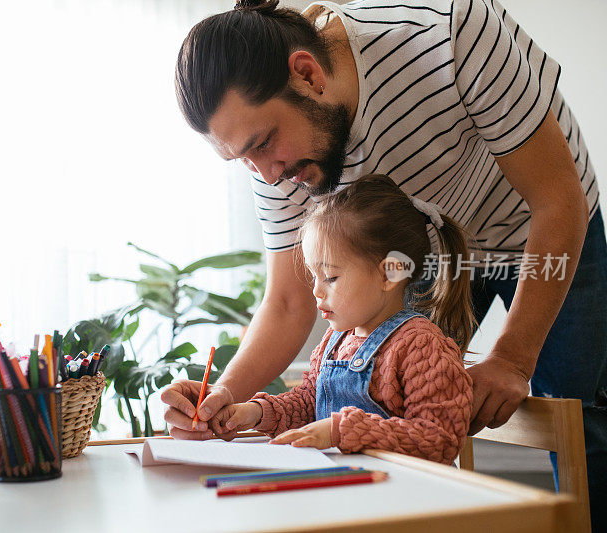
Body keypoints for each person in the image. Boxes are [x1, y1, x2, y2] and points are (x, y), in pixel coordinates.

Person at [162, 0, 605, 526]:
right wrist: (221, 403)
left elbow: (556, 198)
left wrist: (512, 359)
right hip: (419, 253)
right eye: (243, 159)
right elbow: (286, 302)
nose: (268, 174)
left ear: (307, 73)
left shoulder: (448, 31)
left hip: (542, 228)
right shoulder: (277, 161)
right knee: (397, 405)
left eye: (262, 144)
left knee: (584, 421)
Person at [210, 174, 474, 464]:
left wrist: (341, 430)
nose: (316, 291)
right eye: (314, 276)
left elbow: (439, 440)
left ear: (391, 273)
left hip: (400, 500)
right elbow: (309, 402)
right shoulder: (335, 341)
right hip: (342, 489)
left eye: (331, 277)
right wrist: (255, 412)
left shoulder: (423, 348)